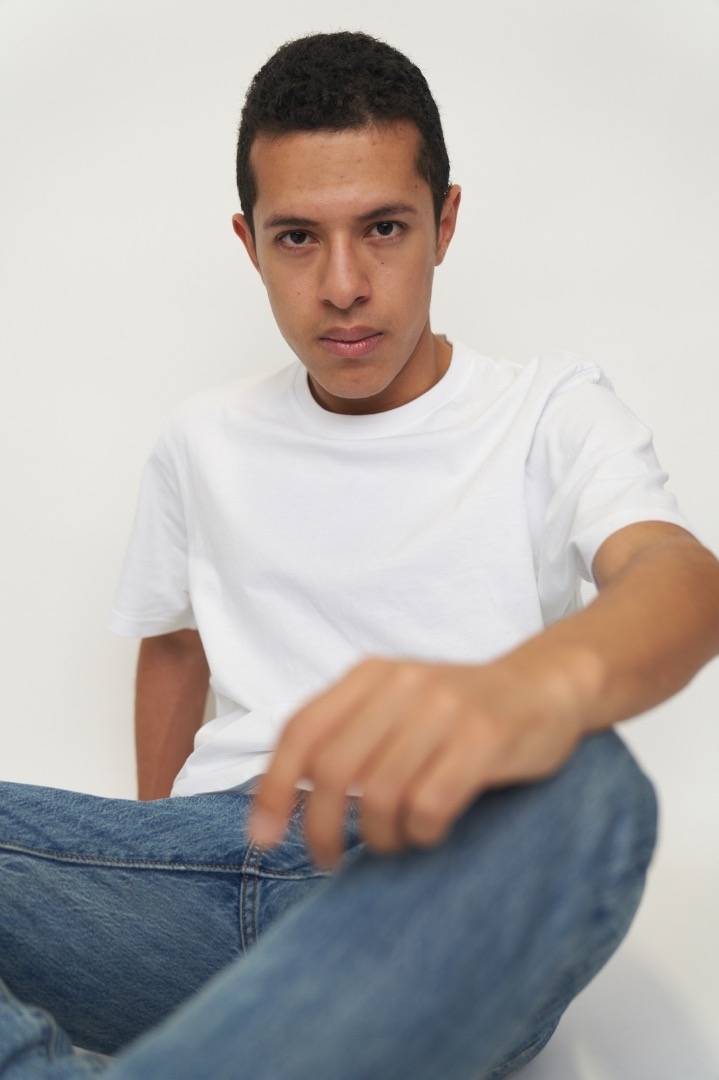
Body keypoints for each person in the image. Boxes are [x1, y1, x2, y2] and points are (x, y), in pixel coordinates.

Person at [1, 29, 718, 1080]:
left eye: (383, 228)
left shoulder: (548, 412)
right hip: (201, 874)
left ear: (444, 223)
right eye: (298, 238)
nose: (342, 284)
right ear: (249, 244)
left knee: (592, 789)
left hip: (428, 883)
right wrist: (152, 866)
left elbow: (679, 579)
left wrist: (525, 691)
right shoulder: (202, 439)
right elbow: (175, 646)